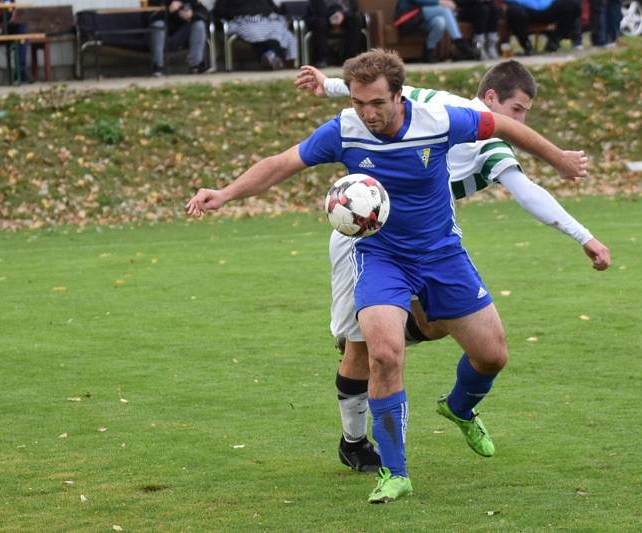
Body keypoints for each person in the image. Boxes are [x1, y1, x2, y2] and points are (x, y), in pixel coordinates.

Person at [186, 49, 590, 503]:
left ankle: (458, 408)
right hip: (380, 257)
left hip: (442, 255)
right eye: (359, 102)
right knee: (383, 354)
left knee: (492, 355)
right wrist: (225, 193)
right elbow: (282, 163)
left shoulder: (436, 120)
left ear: (398, 95)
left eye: (377, 103)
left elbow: (504, 126)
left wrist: (556, 159)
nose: (368, 113)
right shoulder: (345, 129)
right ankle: (394, 472)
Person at [294, 60, 611, 473]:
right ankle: (354, 441)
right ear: (491, 98)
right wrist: (330, 85)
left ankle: (409, 348)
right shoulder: (443, 108)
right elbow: (376, 95)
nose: (519, 121)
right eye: (516, 110)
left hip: (429, 245)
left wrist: (580, 230)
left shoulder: (469, 129)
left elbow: (528, 191)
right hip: (365, 235)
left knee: (444, 329)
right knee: (361, 344)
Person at [213, 0, 298, 70]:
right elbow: (219, 12)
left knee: (284, 33)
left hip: (266, 20)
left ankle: (272, 57)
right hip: (244, 21)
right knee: (256, 33)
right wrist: (243, 12)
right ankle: (272, 57)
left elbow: (274, 9)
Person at [396, 0, 475, 62]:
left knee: (440, 22)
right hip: (406, 18)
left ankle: (428, 52)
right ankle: (460, 43)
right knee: (444, 10)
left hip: (421, 18)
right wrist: (440, 2)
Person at [150, 0, 210, 76]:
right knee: (158, 25)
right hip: (164, 35)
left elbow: (204, 13)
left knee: (199, 24)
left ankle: (196, 65)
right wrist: (168, 10)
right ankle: (158, 66)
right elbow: (150, 16)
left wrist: (192, 14)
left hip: (182, 36)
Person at [504, 0, 582, 54]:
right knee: (513, 12)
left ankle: (554, 41)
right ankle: (526, 45)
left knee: (573, 4)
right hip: (523, 8)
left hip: (548, 6)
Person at [306, 0, 365, 67]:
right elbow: (315, 10)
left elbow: (353, 9)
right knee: (320, 23)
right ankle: (322, 59)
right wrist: (332, 15)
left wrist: (342, 15)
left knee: (355, 20)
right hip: (322, 17)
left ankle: (349, 58)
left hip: (344, 17)